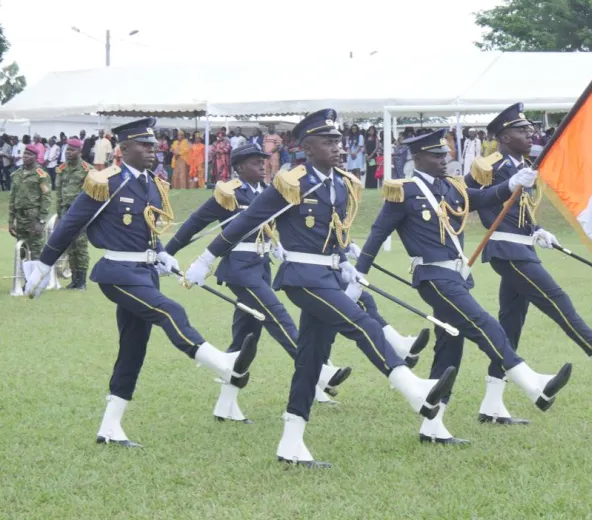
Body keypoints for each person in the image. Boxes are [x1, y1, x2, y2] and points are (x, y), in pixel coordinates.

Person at [185, 109, 455, 467]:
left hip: (329, 275)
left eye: (339, 141)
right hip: (301, 278)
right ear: (307, 148)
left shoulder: (341, 183)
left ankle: (291, 441)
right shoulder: (291, 182)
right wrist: (205, 261)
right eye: (328, 142)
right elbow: (247, 223)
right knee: (362, 323)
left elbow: (334, 234)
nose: (338, 148)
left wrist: (347, 262)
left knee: (310, 360)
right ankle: (412, 388)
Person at [23, 118, 258, 448]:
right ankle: (224, 364)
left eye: (153, 145)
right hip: (116, 274)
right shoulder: (106, 182)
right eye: (144, 146)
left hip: (144, 273)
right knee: (170, 312)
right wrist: (43, 264)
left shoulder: (153, 184)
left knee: (134, 348)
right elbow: (71, 224)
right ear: (123, 150)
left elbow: (147, 229)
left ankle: (110, 427)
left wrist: (162, 253)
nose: (153, 150)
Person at [355, 127, 573, 445]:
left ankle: (433, 424)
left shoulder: (452, 188)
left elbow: (481, 197)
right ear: (418, 158)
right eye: (437, 155)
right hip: (432, 278)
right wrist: (360, 274)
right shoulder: (404, 192)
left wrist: (510, 184)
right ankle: (531, 383)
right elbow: (376, 234)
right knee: (483, 323)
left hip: (456, 277)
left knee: (450, 345)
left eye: (446, 154)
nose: (445, 159)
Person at [464, 103, 592, 428]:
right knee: (557, 300)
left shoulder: (520, 165)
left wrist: (537, 231)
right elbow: (463, 197)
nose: (530, 134)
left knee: (510, 326)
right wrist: (504, 187)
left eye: (529, 128)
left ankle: (492, 404)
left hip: (523, 248)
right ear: (505, 136)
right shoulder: (488, 164)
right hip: (507, 252)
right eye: (522, 130)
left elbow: (517, 211)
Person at [166, 143, 354, 421]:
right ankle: (320, 371)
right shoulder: (229, 193)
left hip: (262, 266)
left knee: (245, 339)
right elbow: (195, 223)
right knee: (277, 315)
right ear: (240, 167)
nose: (263, 166)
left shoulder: (268, 193)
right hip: (239, 269)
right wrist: (167, 253)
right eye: (256, 163)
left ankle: (226, 405)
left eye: (264, 162)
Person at [55, 138, 93, 290]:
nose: (69, 152)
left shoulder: (87, 169)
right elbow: (59, 193)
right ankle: (74, 279)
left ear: (80, 152)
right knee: (69, 246)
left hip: (80, 213)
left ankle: (82, 280)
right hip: (65, 212)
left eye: (72, 150)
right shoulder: (62, 169)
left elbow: (91, 194)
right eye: (67, 149)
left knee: (80, 246)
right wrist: (59, 214)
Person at [9, 145, 52, 260]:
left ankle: (37, 278)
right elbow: (12, 198)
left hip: (33, 219)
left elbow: (46, 198)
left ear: (35, 157)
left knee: (36, 252)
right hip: (20, 218)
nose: (25, 156)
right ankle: (24, 277)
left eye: (29, 154)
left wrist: (41, 221)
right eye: (25, 154)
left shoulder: (41, 175)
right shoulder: (17, 174)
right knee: (22, 252)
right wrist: (11, 221)